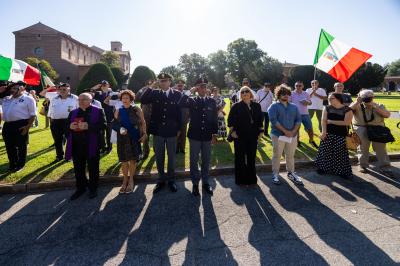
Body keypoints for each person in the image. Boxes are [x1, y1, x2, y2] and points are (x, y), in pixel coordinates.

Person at [140, 72, 182, 193]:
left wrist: (179, 129)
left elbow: (179, 113)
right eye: (161, 81)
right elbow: (142, 99)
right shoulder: (154, 93)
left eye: (165, 81)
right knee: (159, 157)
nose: (163, 83)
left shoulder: (177, 94)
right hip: (158, 131)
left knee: (172, 157)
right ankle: (161, 180)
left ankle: (171, 180)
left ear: (170, 82)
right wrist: (151, 87)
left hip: (172, 130)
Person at [179, 77, 218, 196]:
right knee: (194, 160)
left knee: (206, 160)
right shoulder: (191, 100)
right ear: (197, 88)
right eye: (201, 86)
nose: (203, 88)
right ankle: (195, 184)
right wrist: (189, 91)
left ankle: (205, 182)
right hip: (194, 135)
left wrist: (214, 134)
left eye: (205, 86)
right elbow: (180, 103)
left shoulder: (211, 101)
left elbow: (214, 119)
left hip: (207, 135)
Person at [66, 93, 107, 200]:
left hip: (92, 144)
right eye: (79, 99)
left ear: (90, 100)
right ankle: (81, 188)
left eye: (84, 99)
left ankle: (93, 188)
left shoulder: (98, 111)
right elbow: (67, 127)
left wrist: (89, 126)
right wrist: (70, 127)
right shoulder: (73, 112)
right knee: (78, 168)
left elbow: (103, 125)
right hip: (76, 144)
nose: (81, 101)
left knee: (93, 167)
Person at [349, 89, 392, 176]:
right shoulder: (356, 105)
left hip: (378, 129)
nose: (367, 99)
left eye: (369, 97)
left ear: (373, 97)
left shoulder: (379, 105)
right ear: (360, 97)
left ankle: (385, 166)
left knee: (381, 149)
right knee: (362, 148)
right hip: (361, 128)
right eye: (364, 97)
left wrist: (375, 106)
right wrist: (357, 102)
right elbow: (347, 110)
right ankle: (362, 165)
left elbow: (387, 115)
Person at [228, 86, 263, 186]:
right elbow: (230, 120)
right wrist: (232, 132)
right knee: (240, 158)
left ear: (250, 93)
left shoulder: (257, 106)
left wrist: (261, 131)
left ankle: (252, 180)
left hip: (252, 136)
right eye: (242, 92)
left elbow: (260, 120)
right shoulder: (236, 106)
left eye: (247, 91)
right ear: (240, 95)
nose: (244, 93)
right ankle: (241, 180)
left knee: (251, 158)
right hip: (239, 136)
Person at [268, 85, 303, 185]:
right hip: (278, 135)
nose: (286, 96)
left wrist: (292, 132)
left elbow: (298, 120)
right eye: (283, 94)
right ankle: (275, 174)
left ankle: (291, 172)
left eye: (288, 94)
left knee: (290, 155)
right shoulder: (273, 106)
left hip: (292, 135)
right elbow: (274, 121)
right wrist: (285, 131)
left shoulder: (294, 107)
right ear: (278, 95)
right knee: (277, 155)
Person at [115, 90, 147, 194]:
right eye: (123, 98)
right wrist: (120, 129)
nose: (125, 100)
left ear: (131, 99)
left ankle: (131, 180)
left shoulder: (136, 109)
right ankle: (124, 180)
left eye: (127, 98)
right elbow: (115, 124)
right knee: (124, 161)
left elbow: (142, 122)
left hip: (134, 137)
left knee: (133, 160)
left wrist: (144, 134)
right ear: (121, 100)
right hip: (122, 139)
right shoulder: (118, 110)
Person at [315, 93, 353, 178]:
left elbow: (346, 122)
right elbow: (323, 121)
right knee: (325, 152)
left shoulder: (347, 109)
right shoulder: (327, 107)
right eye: (328, 98)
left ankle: (341, 171)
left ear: (338, 99)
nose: (329, 100)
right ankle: (323, 168)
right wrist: (324, 132)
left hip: (341, 135)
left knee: (340, 154)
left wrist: (331, 121)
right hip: (328, 133)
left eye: (331, 98)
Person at [2, 81, 37, 172]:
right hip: (8, 125)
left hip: (21, 124)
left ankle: (20, 165)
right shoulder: (6, 99)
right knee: (9, 146)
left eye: (14, 88)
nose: (12, 90)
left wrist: (27, 127)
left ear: (21, 88)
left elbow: (33, 115)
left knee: (21, 146)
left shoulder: (28, 99)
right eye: (11, 88)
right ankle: (12, 164)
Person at [47, 83, 78, 161]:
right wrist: (51, 119)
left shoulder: (75, 98)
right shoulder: (54, 98)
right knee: (57, 140)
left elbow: (79, 110)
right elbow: (50, 110)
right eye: (60, 89)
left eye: (64, 89)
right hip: (56, 122)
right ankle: (59, 156)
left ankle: (70, 155)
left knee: (70, 139)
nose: (62, 91)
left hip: (69, 122)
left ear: (69, 89)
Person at [290, 81, 318, 148]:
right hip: (295, 114)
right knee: (296, 129)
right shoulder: (291, 93)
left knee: (310, 128)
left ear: (303, 86)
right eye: (296, 85)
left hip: (305, 114)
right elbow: (288, 103)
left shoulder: (306, 93)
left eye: (300, 86)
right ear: (295, 86)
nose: (298, 87)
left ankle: (311, 140)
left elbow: (310, 103)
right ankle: (297, 142)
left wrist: (307, 103)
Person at [92, 80, 114, 153]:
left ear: (108, 85)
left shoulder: (112, 93)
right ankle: (103, 147)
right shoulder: (98, 93)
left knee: (109, 133)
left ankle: (109, 147)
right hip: (100, 116)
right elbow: (88, 93)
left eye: (105, 85)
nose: (104, 86)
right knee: (101, 133)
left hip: (109, 116)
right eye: (102, 85)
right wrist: (95, 87)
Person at [135, 79, 155, 159]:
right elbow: (137, 98)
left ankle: (156, 151)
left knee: (156, 136)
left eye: (152, 83)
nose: (151, 84)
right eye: (149, 83)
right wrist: (144, 89)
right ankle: (146, 152)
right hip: (145, 116)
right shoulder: (143, 90)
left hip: (155, 116)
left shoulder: (156, 90)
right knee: (145, 135)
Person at [175, 79, 190, 154]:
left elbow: (189, 105)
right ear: (176, 86)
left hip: (184, 116)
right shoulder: (174, 93)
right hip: (176, 116)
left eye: (181, 85)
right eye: (179, 85)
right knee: (176, 133)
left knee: (183, 133)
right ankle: (176, 148)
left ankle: (182, 148)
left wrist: (189, 116)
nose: (180, 87)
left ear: (184, 86)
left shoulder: (187, 93)